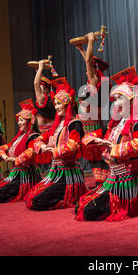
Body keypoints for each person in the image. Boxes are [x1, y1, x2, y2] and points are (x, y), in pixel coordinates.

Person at [76, 66, 138, 221]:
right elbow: (102, 136)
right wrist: (92, 138)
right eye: (116, 99)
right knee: (80, 207)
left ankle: (133, 201)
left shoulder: (137, 123)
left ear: (132, 101)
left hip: (127, 181)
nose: (117, 103)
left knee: (89, 212)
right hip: (113, 179)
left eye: (121, 98)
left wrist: (110, 146)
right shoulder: (117, 124)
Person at [25, 78, 88, 210]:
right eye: (55, 104)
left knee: (37, 202)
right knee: (30, 197)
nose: (56, 107)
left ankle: (69, 197)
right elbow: (38, 140)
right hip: (56, 173)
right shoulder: (57, 125)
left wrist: (51, 150)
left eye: (59, 104)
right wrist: (41, 146)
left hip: (69, 175)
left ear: (67, 105)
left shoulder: (74, 123)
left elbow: (72, 146)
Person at [0, 100, 42, 203]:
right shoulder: (19, 137)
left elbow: (30, 152)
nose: (19, 123)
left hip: (27, 175)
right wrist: (4, 156)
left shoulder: (33, 136)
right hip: (16, 173)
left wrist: (15, 159)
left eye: (21, 120)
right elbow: (3, 147)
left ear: (30, 121)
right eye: (19, 120)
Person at [75, 32, 111, 186]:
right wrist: (82, 50)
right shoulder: (96, 83)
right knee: (92, 156)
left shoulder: (94, 81)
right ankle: (101, 181)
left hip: (93, 127)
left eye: (89, 69)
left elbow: (89, 63)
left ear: (94, 70)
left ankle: (103, 182)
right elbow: (89, 62)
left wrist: (90, 42)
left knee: (95, 156)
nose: (86, 71)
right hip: (89, 126)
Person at [33, 60, 57, 176]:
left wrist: (41, 67)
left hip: (46, 134)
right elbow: (38, 84)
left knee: (47, 167)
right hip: (53, 132)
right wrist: (38, 70)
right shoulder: (52, 99)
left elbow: (36, 84)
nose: (38, 90)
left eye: (40, 87)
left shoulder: (42, 99)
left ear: (45, 89)